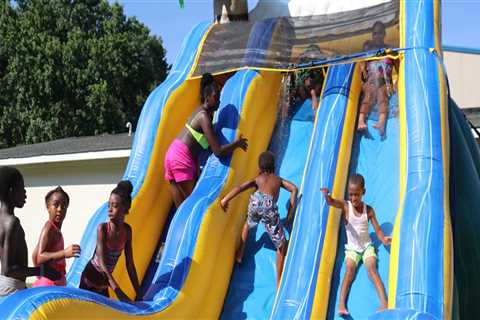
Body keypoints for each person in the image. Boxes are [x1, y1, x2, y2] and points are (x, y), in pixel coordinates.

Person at [164, 73, 248, 208]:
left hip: (171, 154)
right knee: (192, 206)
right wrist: (237, 144)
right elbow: (218, 151)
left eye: (219, 97)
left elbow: (203, 144)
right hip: (181, 158)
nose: (219, 101)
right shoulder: (204, 117)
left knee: (180, 208)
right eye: (216, 97)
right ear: (207, 97)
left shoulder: (198, 112)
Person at [220, 151, 297, 287]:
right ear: (274, 166)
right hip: (268, 206)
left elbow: (240, 188)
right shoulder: (278, 179)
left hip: (255, 201)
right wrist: (291, 209)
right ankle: (279, 281)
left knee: (247, 225)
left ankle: (240, 253)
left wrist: (225, 200)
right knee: (281, 245)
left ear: (260, 168)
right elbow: (294, 189)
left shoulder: (257, 179)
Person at [320, 174, 391, 316]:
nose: (353, 199)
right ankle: (341, 305)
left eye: (356, 195)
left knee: (372, 269)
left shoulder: (369, 210)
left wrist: (383, 239)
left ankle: (384, 303)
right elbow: (332, 202)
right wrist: (327, 196)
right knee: (349, 271)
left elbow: (376, 229)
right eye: (351, 195)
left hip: (366, 247)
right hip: (352, 249)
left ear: (363, 192)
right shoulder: (346, 207)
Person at [0, 166, 60, 297]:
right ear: (11, 191)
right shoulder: (12, 222)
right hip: (12, 287)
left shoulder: (1, 219)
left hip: (6, 285)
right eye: (21, 188)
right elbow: (8, 270)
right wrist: (42, 271)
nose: (25, 192)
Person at [79, 181, 142, 302]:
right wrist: (118, 292)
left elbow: (130, 265)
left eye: (115, 206)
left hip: (104, 284)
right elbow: (102, 265)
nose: (110, 209)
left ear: (125, 208)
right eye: (109, 205)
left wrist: (139, 292)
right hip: (89, 280)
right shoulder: (103, 229)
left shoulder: (127, 231)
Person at [31, 187, 81, 287]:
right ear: (48, 207)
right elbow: (40, 257)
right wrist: (64, 253)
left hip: (54, 283)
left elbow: (35, 255)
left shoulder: (55, 229)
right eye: (56, 205)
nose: (60, 209)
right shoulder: (49, 227)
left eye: (64, 205)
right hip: (48, 285)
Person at [358, 21, 397, 136]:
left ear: (384, 34)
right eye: (375, 33)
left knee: (382, 94)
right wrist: (362, 75)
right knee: (368, 94)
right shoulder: (368, 48)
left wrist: (395, 85)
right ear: (372, 35)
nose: (377, 36)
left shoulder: (389, 49)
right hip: (370, 81)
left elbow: (397, 64)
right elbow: (362, 66)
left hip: (384, 82)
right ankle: (361, 120)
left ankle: (381, 122)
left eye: (380, 33)